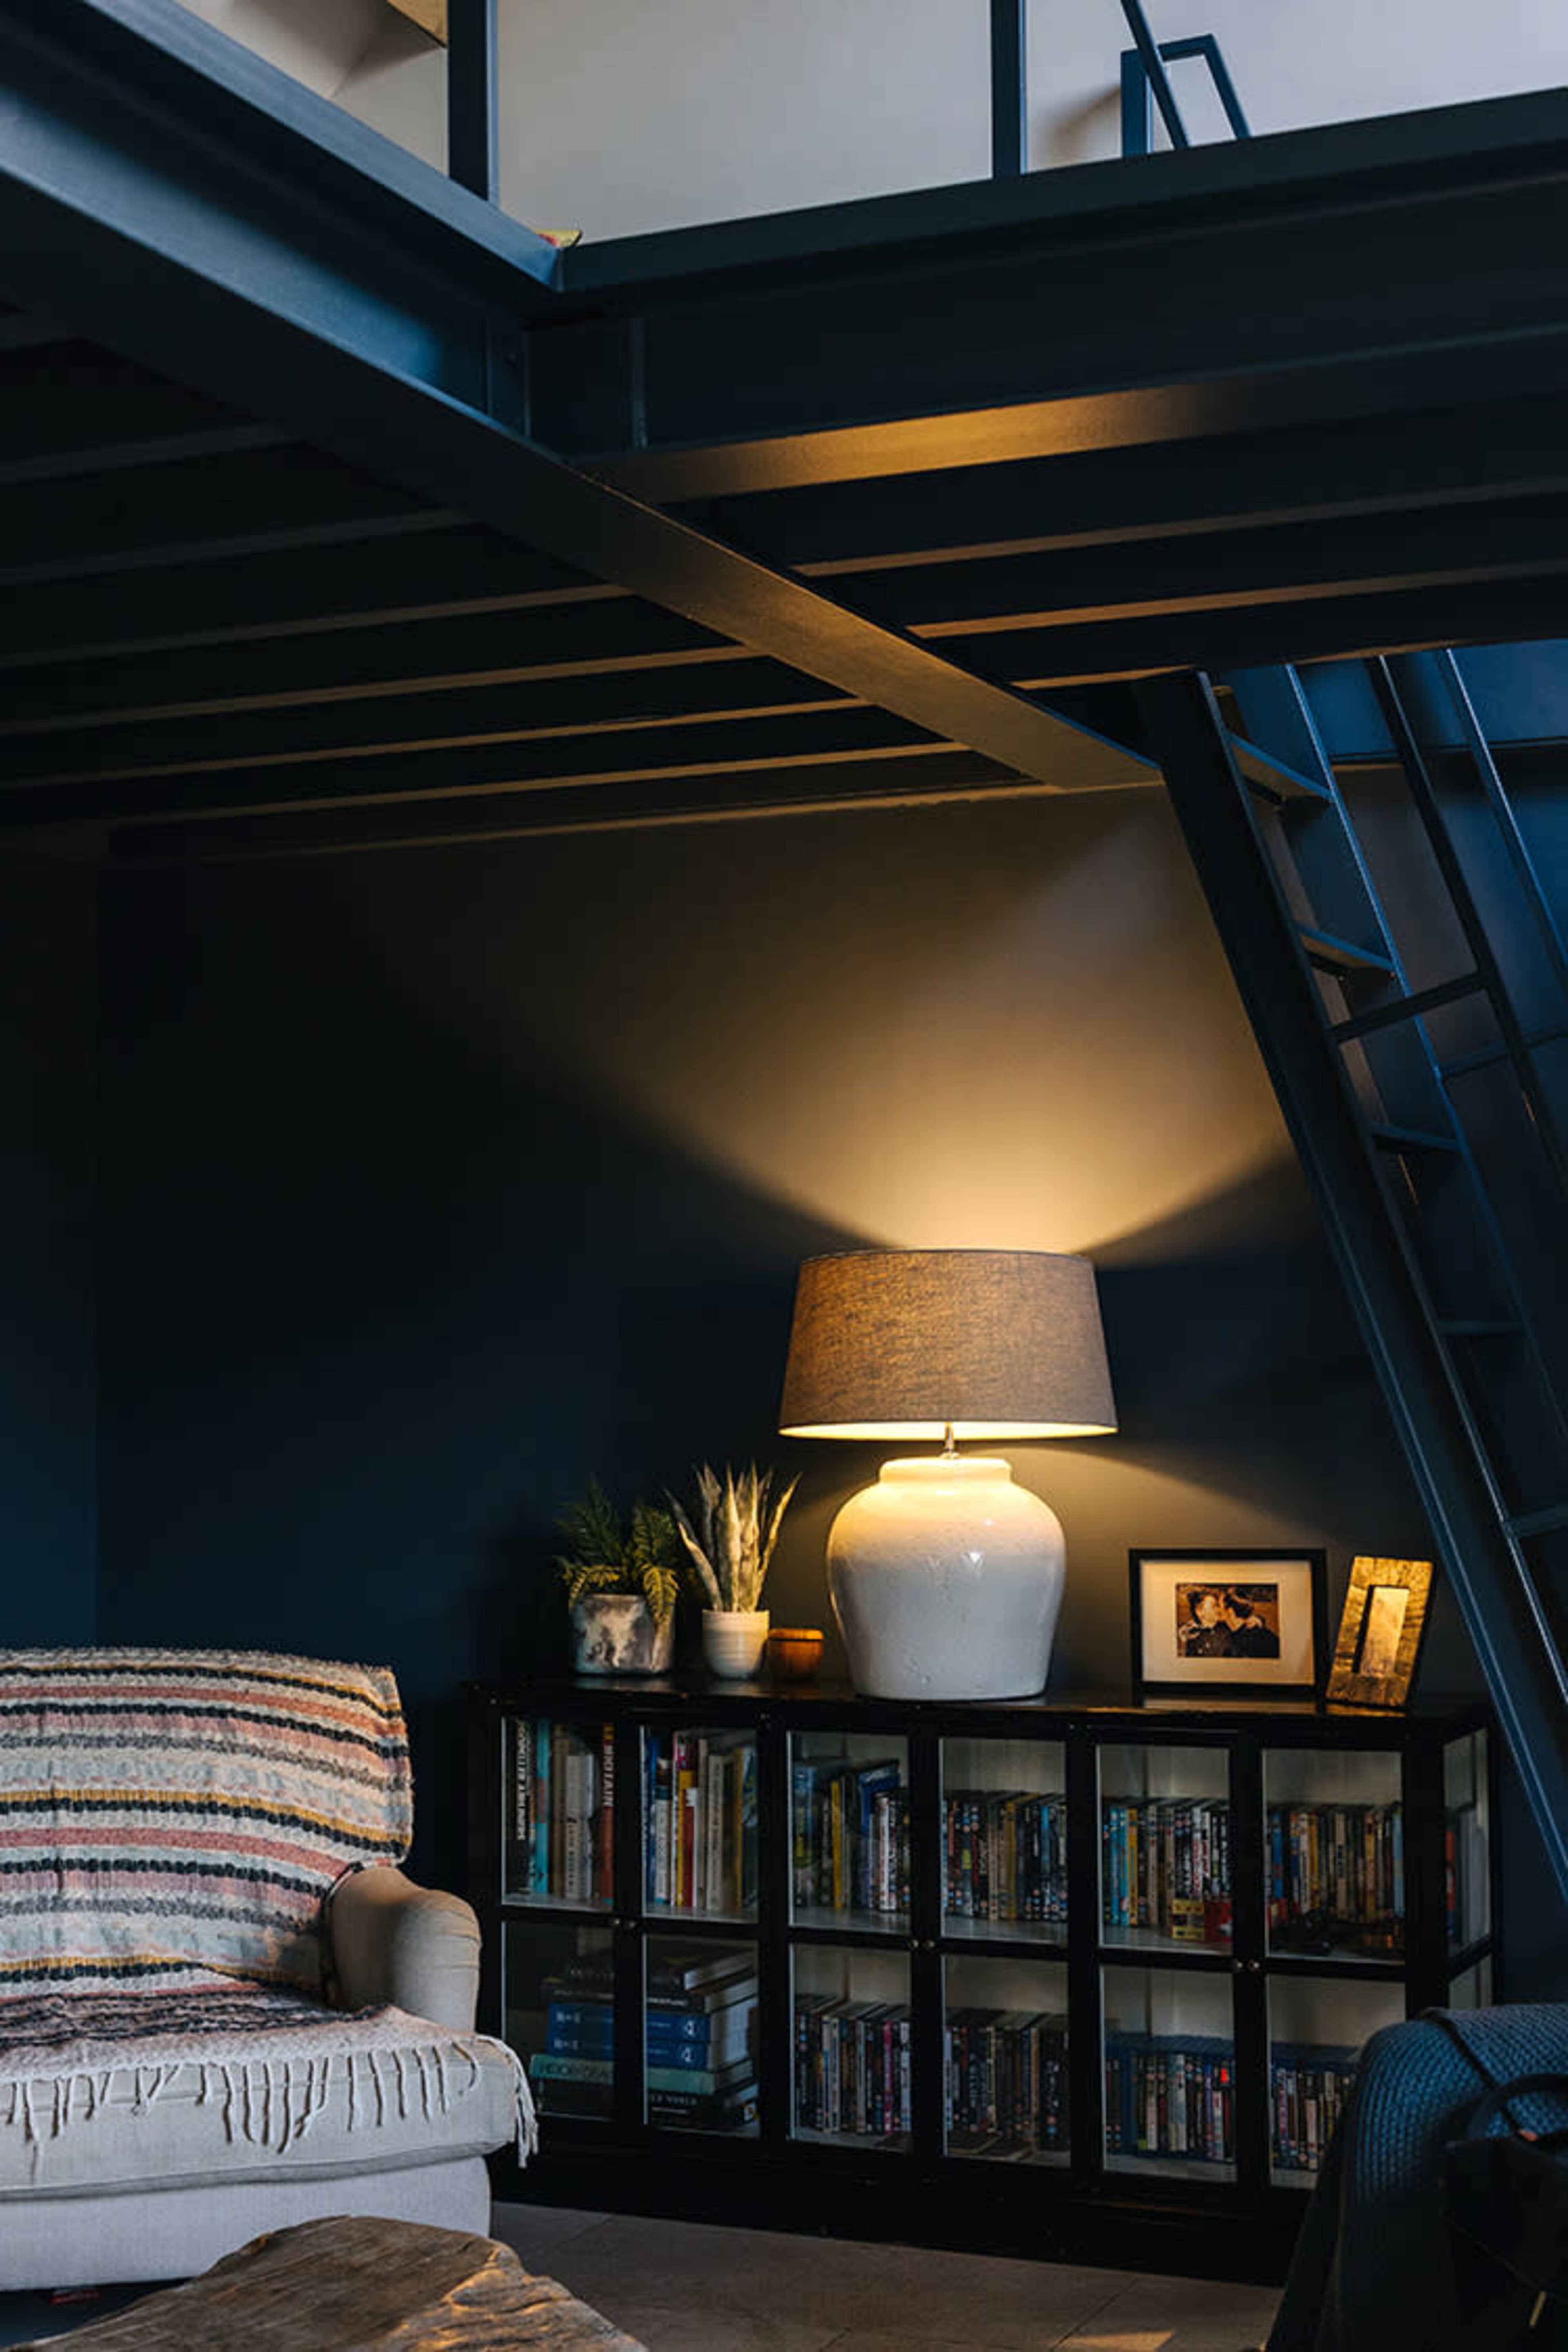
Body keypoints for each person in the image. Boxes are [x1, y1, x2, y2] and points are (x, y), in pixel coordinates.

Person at [1223, 1589, 1281, 1659]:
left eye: (1219, 1607)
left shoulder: (1242, 1644)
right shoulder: (1264, 1634)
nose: (1218, 1611)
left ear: (1230, 1612)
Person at [1178, 1587, 1233, 1657]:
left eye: (1217, 1605)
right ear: (1199, 1611)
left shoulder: (1227, 1629)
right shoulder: (1192, 1635)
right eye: (1214, 1606)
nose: (1218, 1610)